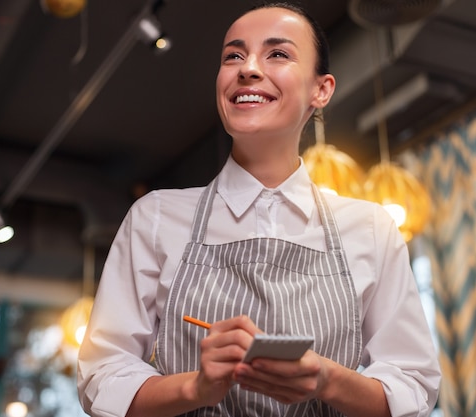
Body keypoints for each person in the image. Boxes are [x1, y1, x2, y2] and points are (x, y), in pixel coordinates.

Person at [77, 3, 441, 416]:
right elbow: (101, 379)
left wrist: (327, 378)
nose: (247, 69)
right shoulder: (155, 218)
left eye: (278, 54)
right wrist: (196, 388)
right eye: (233, 55)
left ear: (321, 90)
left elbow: (413, 388)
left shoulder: (371, 228)